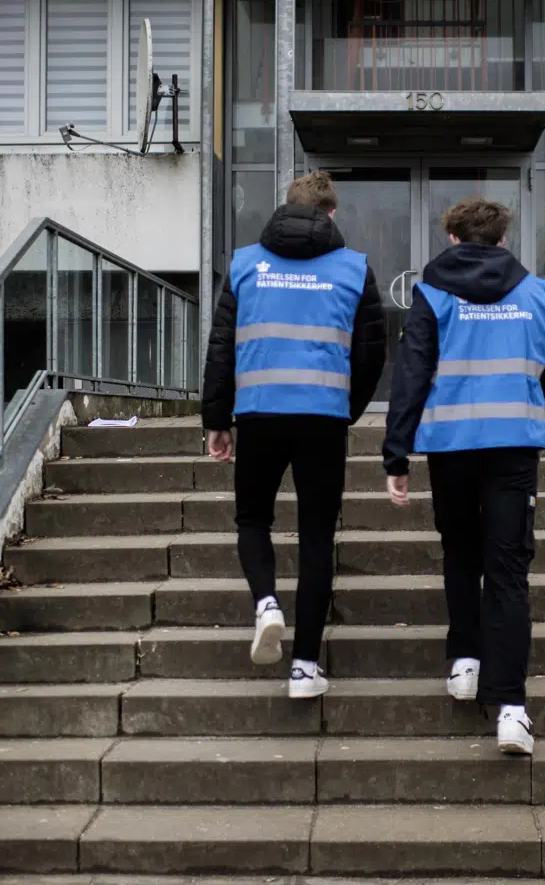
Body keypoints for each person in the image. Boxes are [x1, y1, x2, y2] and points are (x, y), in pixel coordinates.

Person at [382, 196, 545, 755]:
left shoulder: (434, 293)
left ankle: (465, 661)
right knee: (509, 570)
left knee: (461, 554)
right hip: (514, 447)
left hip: (452, 448)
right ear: (502, 240)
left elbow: (411, 372)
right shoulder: (538, 294)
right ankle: (511, 708)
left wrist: (397, 454)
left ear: (453, 240)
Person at [202, 170, 386, 699]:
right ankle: (304, 667)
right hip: (322, 419)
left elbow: (222, 346)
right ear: (330, 213)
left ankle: (265, 603)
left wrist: (217, 420)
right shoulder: (353, 269)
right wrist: (345, 410)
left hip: (258, 413)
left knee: (253, 517)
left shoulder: (244, 264)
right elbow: (373, 353)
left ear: (287, 208)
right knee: (316, 537)